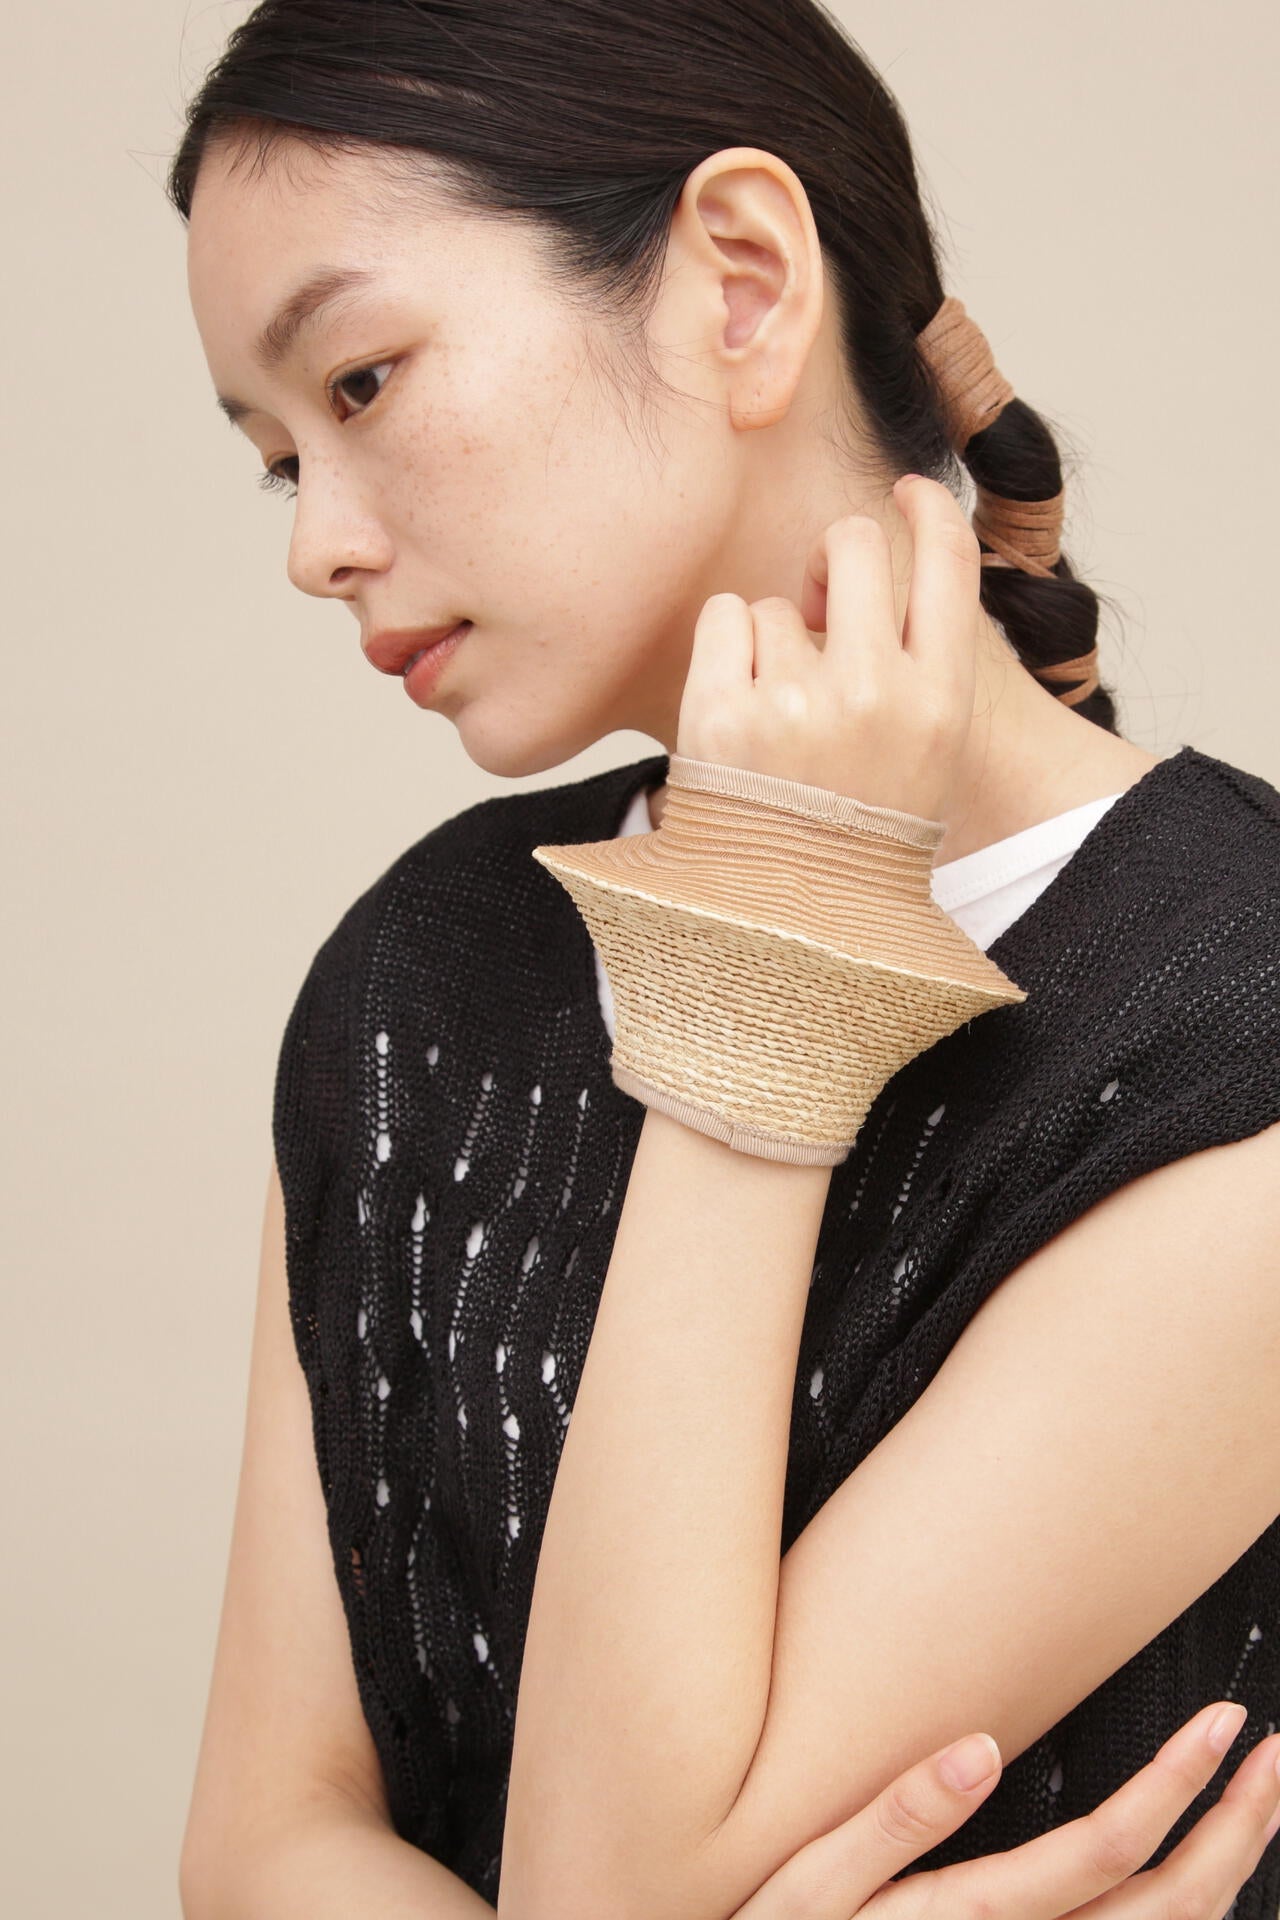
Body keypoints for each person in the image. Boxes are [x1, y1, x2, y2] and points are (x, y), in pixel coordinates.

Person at [170, 3, 1280, 1916]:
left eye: (358, 382)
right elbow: (261, 1847)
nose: (317, 545)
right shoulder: (426, 963)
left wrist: (782, 940)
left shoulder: (1239, 1025)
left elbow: (604, 1893)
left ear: (741, 282)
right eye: (281, 459)